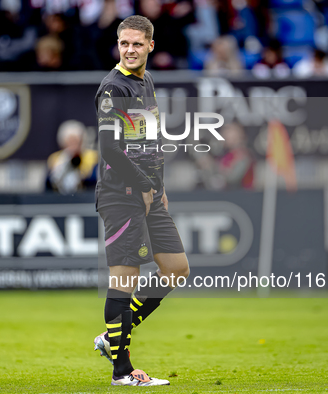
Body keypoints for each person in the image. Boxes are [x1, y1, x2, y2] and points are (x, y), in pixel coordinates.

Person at [93, 15, 189, 386]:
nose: (130, 50)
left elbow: (148, 140)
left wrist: (158, 185)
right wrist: (146, 184)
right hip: (122, 196)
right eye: (124, 44)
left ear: (151, 45)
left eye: (137, 44)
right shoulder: (112, 88)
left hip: (150, 192)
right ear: (118, 45)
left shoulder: (145, 81)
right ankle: (122, 371)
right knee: (123, 282)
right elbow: (109, 149)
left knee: (177, 269)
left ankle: (111, 337)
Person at [46, 120, 98, 194]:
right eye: (70, 141)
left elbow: (94, 180)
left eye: (76, 141)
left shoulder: (92, 156)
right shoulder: (55, 158)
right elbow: (48, 184)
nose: (73, 145)